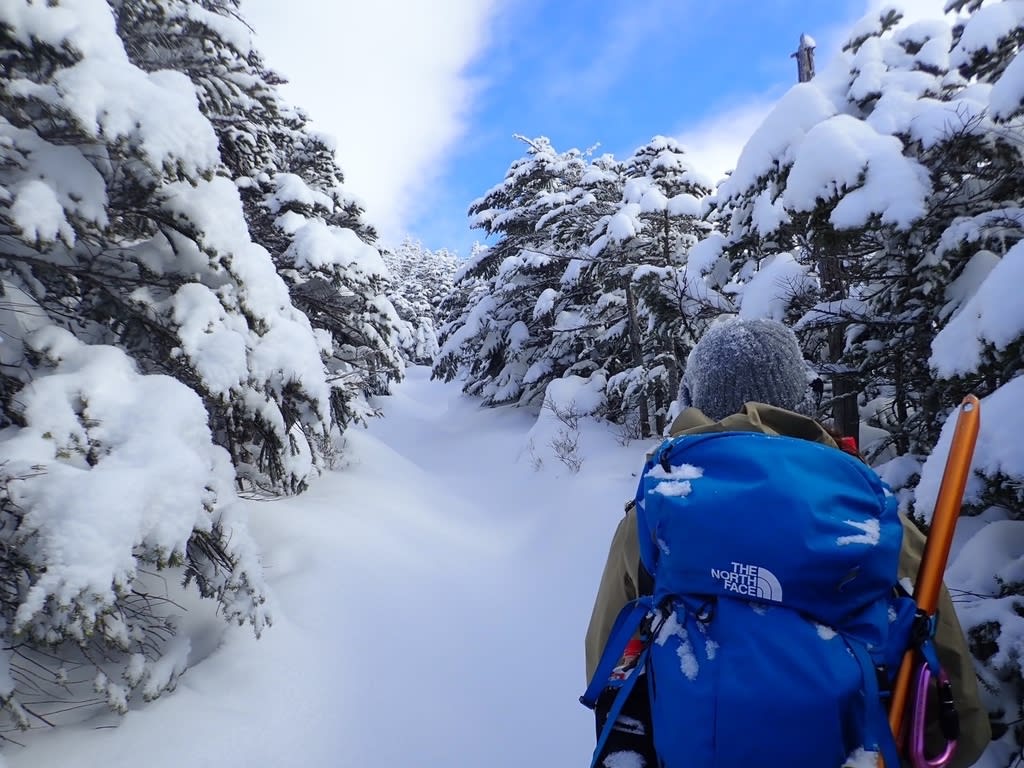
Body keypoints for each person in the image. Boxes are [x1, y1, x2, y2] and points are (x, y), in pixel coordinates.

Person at [584, 318, 991, 768]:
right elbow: (962, 723)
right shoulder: (869, 516)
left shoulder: (654, 516)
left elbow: (608, 673)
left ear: (696, 402)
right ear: (801, 402)